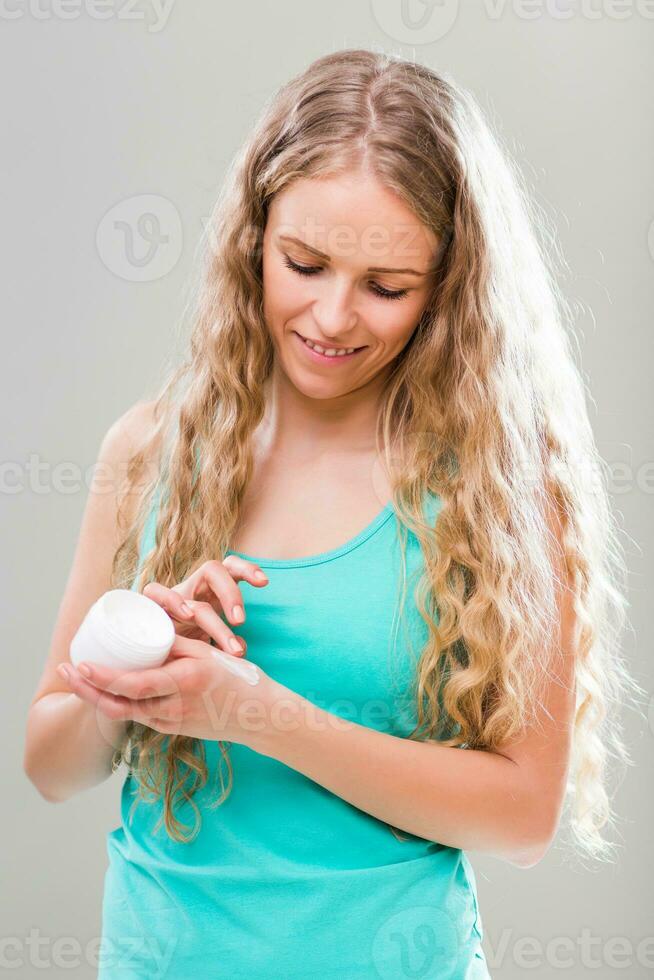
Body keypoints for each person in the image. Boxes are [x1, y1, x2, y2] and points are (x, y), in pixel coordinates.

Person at [24, 49, 644, 979]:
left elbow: (521, 818)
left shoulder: (497, 490)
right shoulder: (151, 452)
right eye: (303, 264)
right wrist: (137, 660)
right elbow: (51, 765)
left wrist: (258, 714)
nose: (332, 316)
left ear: (448, 290)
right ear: (253, 241)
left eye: (386, 287)